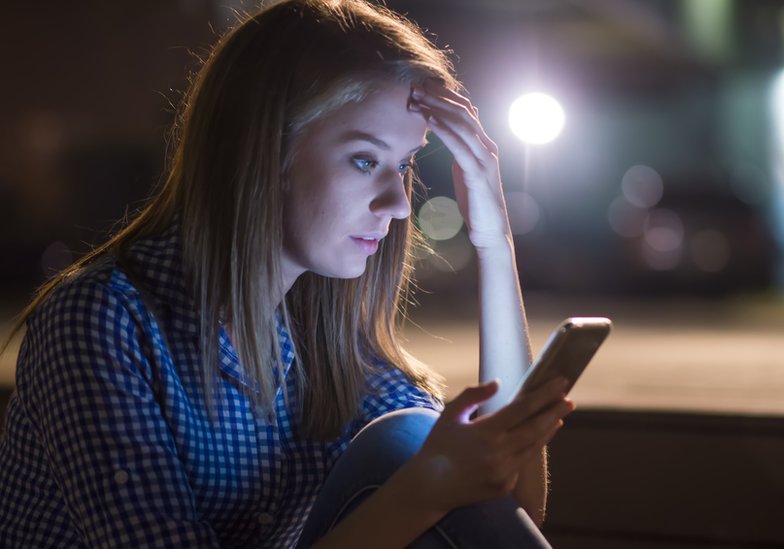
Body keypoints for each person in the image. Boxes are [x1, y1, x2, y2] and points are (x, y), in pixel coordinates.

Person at [0, 1, 575, 547]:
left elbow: (508, 510)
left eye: (402, 166)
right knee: (411, 451)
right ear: (265, 152)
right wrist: (422, 492)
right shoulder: (101, 323)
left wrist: (494, 244)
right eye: (365, 160)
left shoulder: (327, 341)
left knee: (409, 438)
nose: (399, 204)